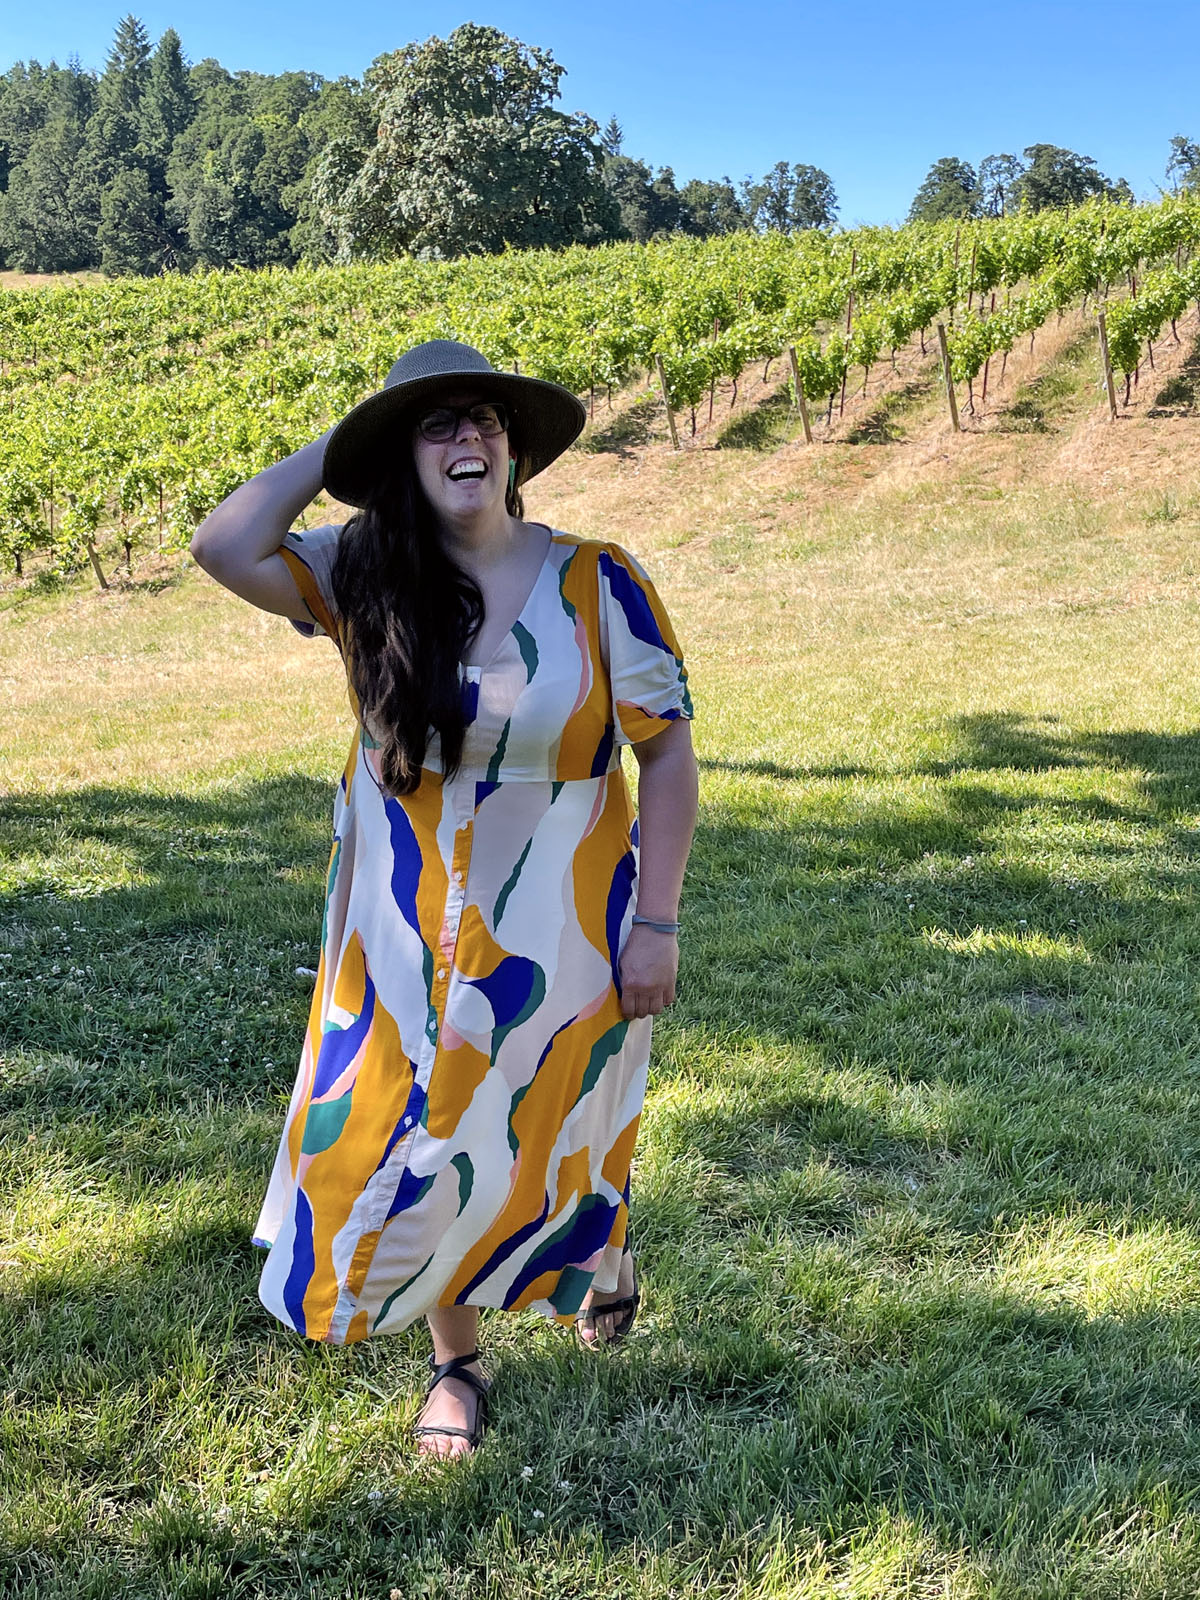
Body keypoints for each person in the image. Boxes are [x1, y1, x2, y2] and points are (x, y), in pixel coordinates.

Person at [190, 340, 697, 1460]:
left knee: (556, 1117)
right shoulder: (366, 572)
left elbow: (666, 757)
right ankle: (456, 1362)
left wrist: (655, 918)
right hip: (402, 923)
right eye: (435, 425)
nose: (465, 438)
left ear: (513, 450)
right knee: (425, 1134)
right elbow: (222, 544)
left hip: (562, 918)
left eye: (482, 421)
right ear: (402, 458)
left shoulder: (599, 580)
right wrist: (349, 445)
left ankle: (594, 1251)